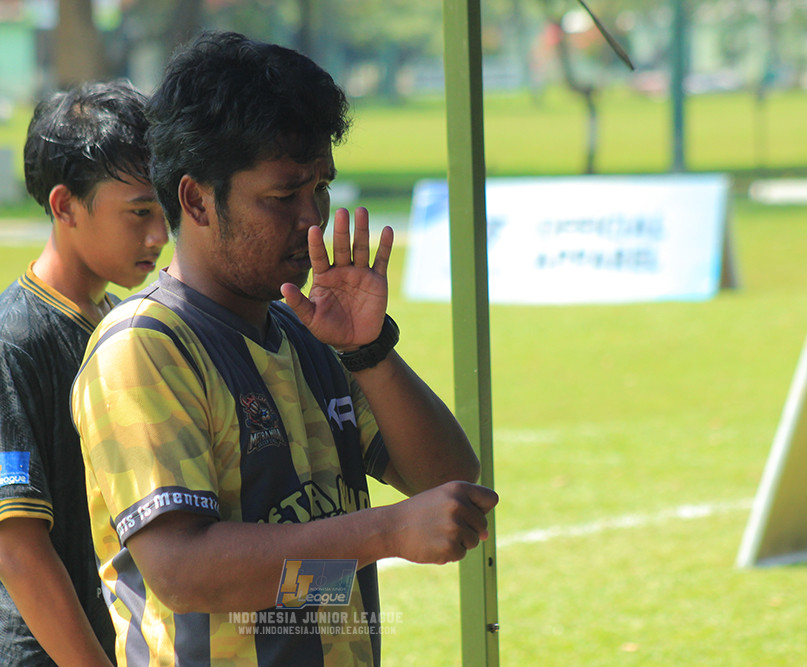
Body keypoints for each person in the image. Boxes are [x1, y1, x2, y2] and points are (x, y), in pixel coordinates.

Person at [70, 32, 498, 667]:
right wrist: (385, 532)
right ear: (195, 199)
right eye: (283, 195)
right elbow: (184, 575)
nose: (313, 218)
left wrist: (371, 351)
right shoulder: (144, 349)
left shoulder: (310, 333)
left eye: (321, 187)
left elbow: (448, 480)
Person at [0, 80, 168, 667]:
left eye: (164, 209)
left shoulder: (121, 323)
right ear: (65, 205)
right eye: (140, 212)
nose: (160, 235)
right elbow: (17, 549)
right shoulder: (13, 340)